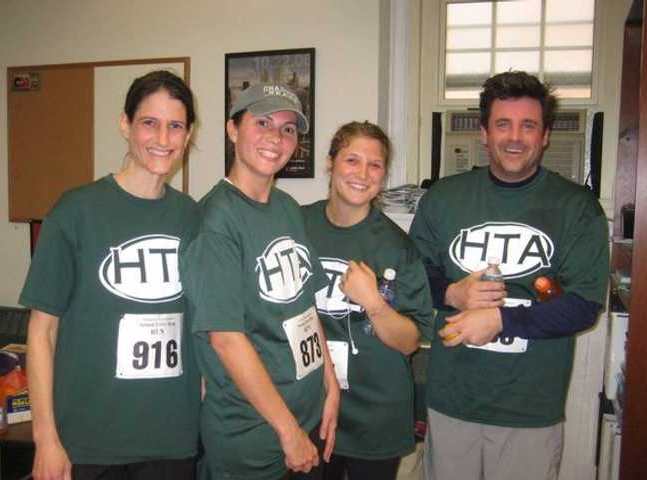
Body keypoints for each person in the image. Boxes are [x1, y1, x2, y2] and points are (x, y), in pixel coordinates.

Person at [409, 71, 609, 480]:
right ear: (484, 132)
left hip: (530, 409)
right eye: (503, 124)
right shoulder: (444, 199)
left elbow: (584, 306)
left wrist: (501, 321)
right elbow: (416, 277)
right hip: (452, 402)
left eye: (528, 125)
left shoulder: (578, 208)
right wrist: (452, 293)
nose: (514, 137)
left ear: (546, 135)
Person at [20, 70, 200, 480]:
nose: (162, 138)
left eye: (175, 126)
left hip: (171, 437)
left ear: (188, 135)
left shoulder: (192, 217)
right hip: (90, 441)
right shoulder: (75, 212)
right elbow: (41, 332)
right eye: (149, 123)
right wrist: (45, 438)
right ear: (125, 124)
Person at [182, 83, 340, 480]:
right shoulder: (215, 222)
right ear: (232, 130)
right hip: (253, 433)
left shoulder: (286, 208)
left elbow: (305, 307)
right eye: (263, 122)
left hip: (304, 412)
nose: (276, 137)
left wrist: (330, 384)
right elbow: (226, 339)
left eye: (288, 129)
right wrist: (288, 432)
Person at [301, 121, 434, 480]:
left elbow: (410, 342)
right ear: (330, 163)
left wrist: (373, 303)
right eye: (351, 161)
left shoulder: (396, 246)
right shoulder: (298, 225)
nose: (362, 174)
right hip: (309, 405)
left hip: (375, 413)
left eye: (374, 165)